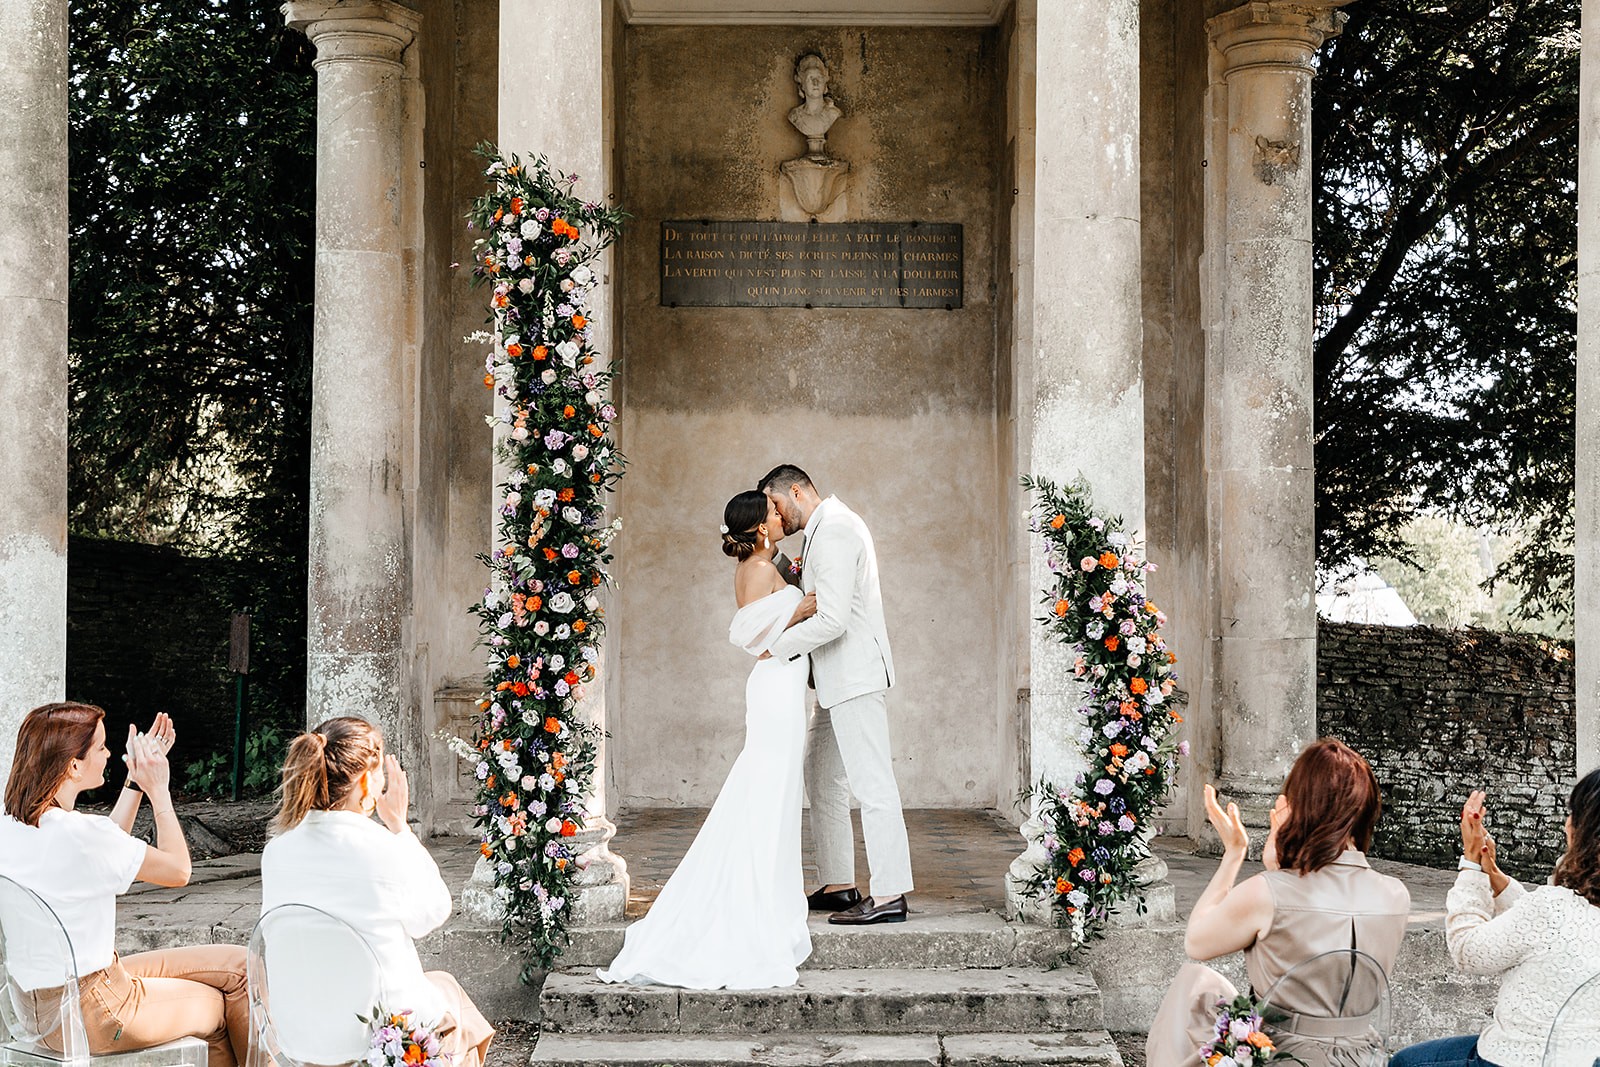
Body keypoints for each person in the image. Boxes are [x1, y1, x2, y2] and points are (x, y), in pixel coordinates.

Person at [599, 489, 818, 987]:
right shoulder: (760, 571)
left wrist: (795, 590)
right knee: (766, 794)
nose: (782, 516)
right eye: (773, 513)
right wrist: (799, 610)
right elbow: (751, 637)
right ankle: (756, 900)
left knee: (773, 795)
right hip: (774, 689)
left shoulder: (766, 566)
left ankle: (770, 892)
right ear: (760, 527)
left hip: (782, 690)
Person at [0, 702, 251, 1067]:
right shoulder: (82, 836)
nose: (107, 755)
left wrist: (135, 779)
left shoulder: (12, 826)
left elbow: (108, 846)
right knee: (221, 1002)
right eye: (101, 748)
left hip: (39, 1008)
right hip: (98, 1009)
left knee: (241, 965)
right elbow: (179, 871)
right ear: (73, 766)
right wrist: (158, 789)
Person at [1145, 738, 1410, 1067]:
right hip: (1365, 1055)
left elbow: (1196, 942)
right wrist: (1281, 867)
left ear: (1300, 807)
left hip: (1285, 1057)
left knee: (1194, 984)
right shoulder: (1397, 895)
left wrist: (1235, 854)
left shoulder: (1267, 893)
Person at [259, 717, 494, 1067]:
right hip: (377, 1041)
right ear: (367, 780)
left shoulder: (277, 849)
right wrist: (400, 827)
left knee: (442, 986)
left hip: (300, 1042)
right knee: (462, 1015)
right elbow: (433, 911)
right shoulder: (381, 846)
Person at [759, 463, 913, 926]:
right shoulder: (820, 532)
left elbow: (833, 618)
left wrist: (776, 648)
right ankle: (840, 885)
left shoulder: (837, 530)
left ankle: (889, 895)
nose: (775, 516)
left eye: (776, 505)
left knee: (872, 784)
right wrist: (776, 562)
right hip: (834, 679)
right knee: (821, 774)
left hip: (855, 677)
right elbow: (815, 586)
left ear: (796, 491)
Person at [1388, 770, 1600, 1067]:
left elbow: (1467, 950)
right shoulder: (1560, 910)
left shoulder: (1553, 907)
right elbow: (1556, 933)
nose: (1566, 824)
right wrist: (1495, 876)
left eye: (1572, 815)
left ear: (1584, 830)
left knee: (1404, 1063)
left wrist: (1472, 863)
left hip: (1516, 1057)